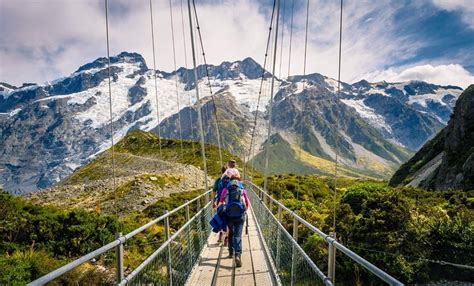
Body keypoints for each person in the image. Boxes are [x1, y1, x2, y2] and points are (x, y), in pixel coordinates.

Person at [218, 179, 249, 268]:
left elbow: (220, 202)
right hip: (240, 216)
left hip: (229, 216)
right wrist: (243, 211)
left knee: (231, 233)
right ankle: (238, 255)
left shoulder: (225, 190)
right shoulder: (242, 190)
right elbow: (247, 204)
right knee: (238, 235)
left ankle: (231, 252)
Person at [212, 165, 227, 243]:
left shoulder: (218, 180)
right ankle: (227, 238)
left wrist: (213, 202)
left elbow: (214, 191)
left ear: (221, 171)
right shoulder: (230, 180)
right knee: (228, 219)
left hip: (219, 202)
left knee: (219, 218)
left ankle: (220, 236)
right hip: (228, 202)